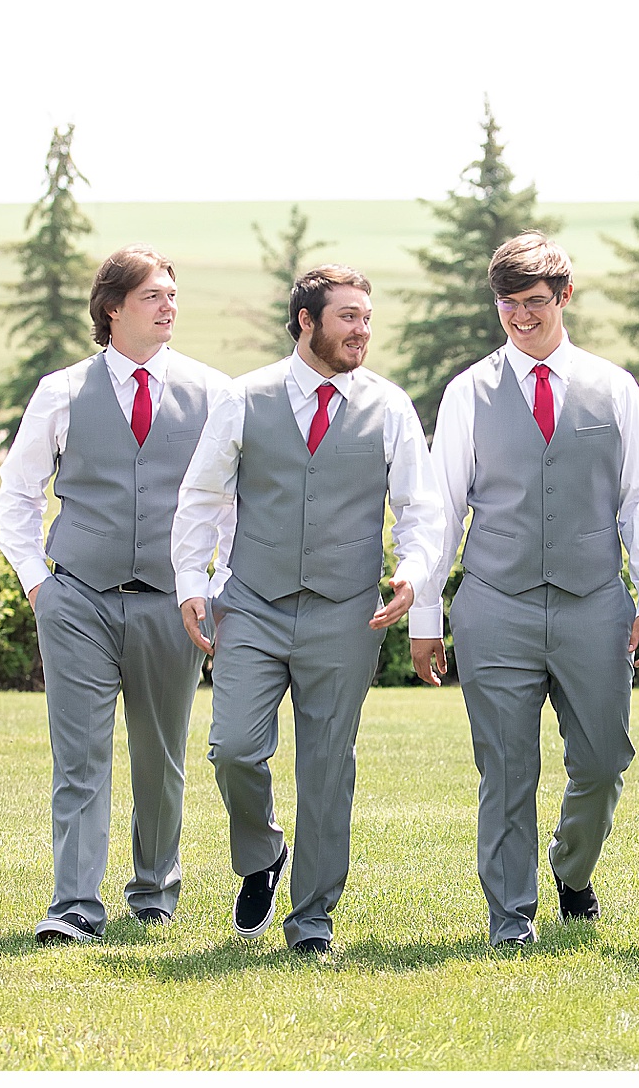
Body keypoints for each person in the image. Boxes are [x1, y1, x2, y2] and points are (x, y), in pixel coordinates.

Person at [410, 234, 639, 946]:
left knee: (603, 760)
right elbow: (441, 508)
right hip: (496, 601)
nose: (521, 317)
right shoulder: (469, 391)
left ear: (563, 297)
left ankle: (573, 866)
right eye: (508, 303)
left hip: (594, 600)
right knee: (506, 767)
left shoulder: (615, 387)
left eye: (534, 302)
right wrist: (425, 614)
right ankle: (511, 918)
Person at [171, 267, 442, 955]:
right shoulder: (244, 397)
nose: (362, 331)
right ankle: (262, 851)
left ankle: (312, 921)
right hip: (252, 605)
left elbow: (420, 508)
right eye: (348, 316)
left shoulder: (390, 406)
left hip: (347, 614)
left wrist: (411, 574)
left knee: (327, 766)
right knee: (232, 748)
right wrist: (188, 579)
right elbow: (200, 495)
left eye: (367, 318)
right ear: (306, 321)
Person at [0, 247, 233, 942]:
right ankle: (73, 904)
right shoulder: (62, 390)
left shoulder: (215, 391)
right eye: (153, 295)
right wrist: (39, 584)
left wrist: (212, 587)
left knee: (161, 755)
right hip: (79, 600)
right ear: (113, 308)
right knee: (79, 756)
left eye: (172, 294)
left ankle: (155, 888)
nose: (169, 306)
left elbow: (232, 503)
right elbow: (19, 491)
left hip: (173, 601)